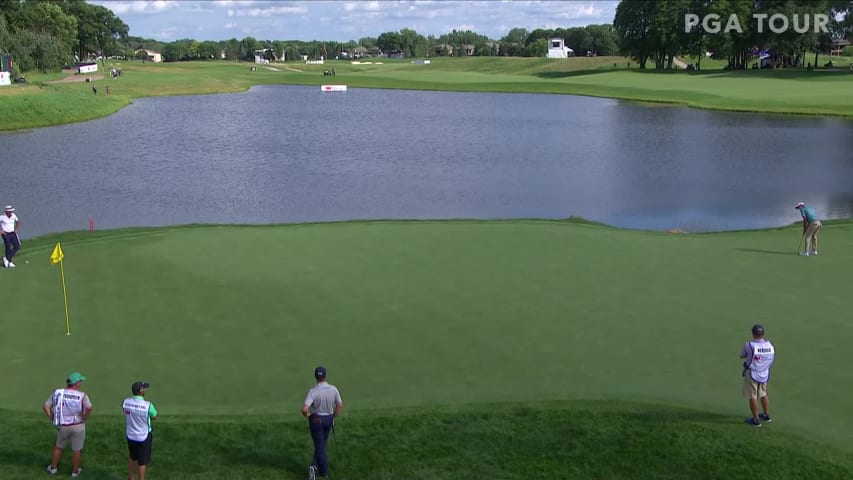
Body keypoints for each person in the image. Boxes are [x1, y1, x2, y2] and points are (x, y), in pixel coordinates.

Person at [43, 372, 93, 477]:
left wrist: (53, 418)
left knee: (58, 447)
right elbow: (89, 407)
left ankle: (53, 468)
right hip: (78, 426)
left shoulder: (57, 393)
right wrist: (84, 416)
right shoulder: (82, 395)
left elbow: (46, 406)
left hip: (63, 426)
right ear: (76, 384)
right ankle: (75, 472)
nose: (81, 382)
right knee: (76, 449)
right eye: (80, 381)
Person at [302, 366, 343, 480]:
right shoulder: (333, 389)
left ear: (316, 377)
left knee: (320, 447)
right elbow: (339, 405)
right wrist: (333, 416)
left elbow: (304, 409)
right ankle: (314, 467)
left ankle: (323, 474)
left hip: (316, 421)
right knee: (321, 445)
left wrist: (308, 415)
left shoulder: (313, 391)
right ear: (325, 376)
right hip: (328, 420)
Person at [740, 324, 775, 427]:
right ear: (763, 333)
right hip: (764, 373)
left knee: (752, 396)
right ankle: (766, 414)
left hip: (752, 373)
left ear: (753, 333)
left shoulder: (749, 345)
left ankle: (755, 420)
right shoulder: (770, 345)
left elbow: (742, 355)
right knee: (763, 393)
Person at [122, 381, 158, 480]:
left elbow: (125, 410)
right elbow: (154, 416)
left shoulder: (126, 402)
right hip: (143, 436)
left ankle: (130, 477)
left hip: (130, 435)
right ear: (141, 391)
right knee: (142, 461)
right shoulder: (148, 405)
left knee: (132, 456)